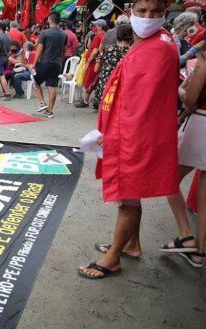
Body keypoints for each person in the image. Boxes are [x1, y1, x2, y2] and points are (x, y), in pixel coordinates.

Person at [79, 0, 179, 279]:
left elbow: (140, 105)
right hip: (132, 131)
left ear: (164, 14)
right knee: (130, 194)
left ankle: (112, 260)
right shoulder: (152, 42)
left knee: (127, 198)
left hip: (135, 135)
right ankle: (131, 244)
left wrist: (111, 134)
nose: (148, 17)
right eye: (142, 11)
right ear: (130, 12)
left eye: (156, 12)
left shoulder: (159, 47)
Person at [160, 37, 206, 268]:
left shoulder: (204, 59)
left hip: (201, 125)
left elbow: (190, 99)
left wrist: (181, 89)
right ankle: (198, 250)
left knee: (169, 179)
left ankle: (187, 237)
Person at [30, 12, 67, 118]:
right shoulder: (64, 34)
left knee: (34, 80)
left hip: (45, 62)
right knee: (52, 86)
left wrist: (34, 64)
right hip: (57, 63)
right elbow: (63, 50)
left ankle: (42, 103)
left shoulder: (45, 33)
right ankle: (50, 111)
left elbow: (39, 50)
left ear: (50, 20)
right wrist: (61, 61)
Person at [94, 24, 132, 111]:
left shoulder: (107, 49)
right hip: (124, 88)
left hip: (106, 87)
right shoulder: (133, 52)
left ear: (117, 35)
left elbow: (96, 69)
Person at [76, 19, 107, 109]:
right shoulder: (102, 35)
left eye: (95, 25)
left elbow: (95, 51)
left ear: (100, 27)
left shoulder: (99, 36)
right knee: (93, 81)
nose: (94, 27)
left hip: (93, 63)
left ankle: (86, 101)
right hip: (96, 62)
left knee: (89, 82)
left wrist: (88, 61)